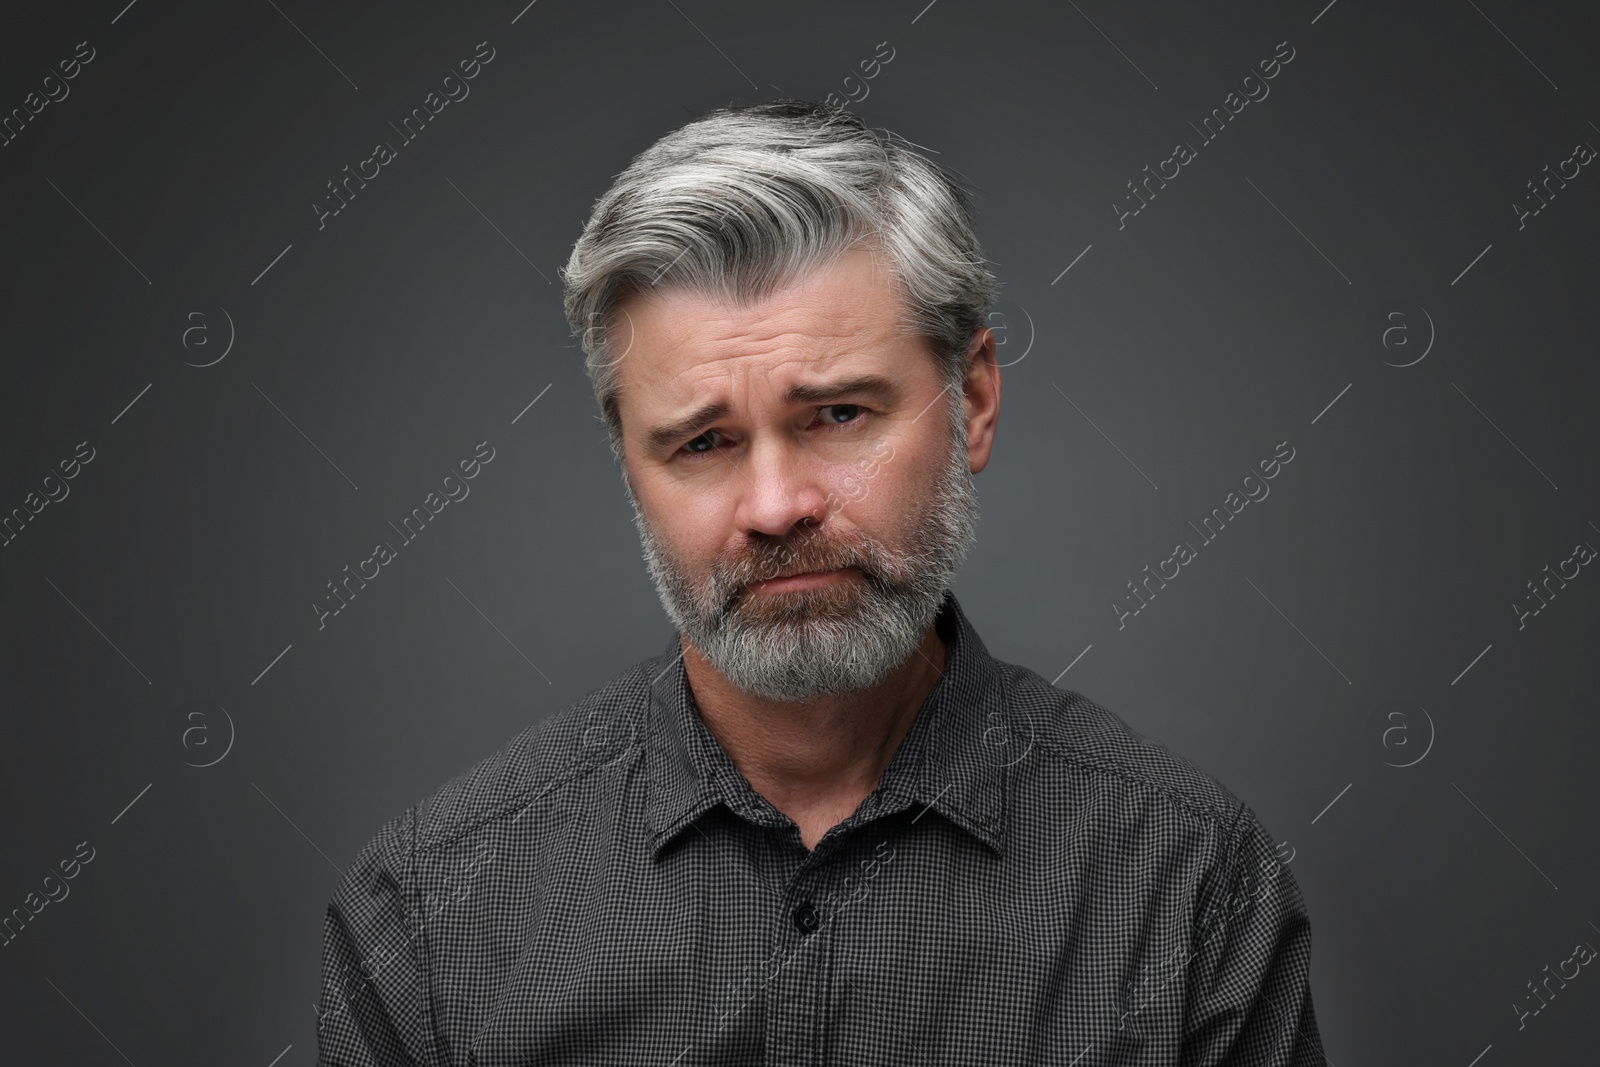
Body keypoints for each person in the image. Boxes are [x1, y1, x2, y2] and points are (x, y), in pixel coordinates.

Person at [316, 99, 1326, 1065]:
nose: (775, 505)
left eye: (838, 414)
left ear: (970, 399)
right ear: (629, 462)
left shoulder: (1189, 881)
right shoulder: (431, 910)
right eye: (703, 441)